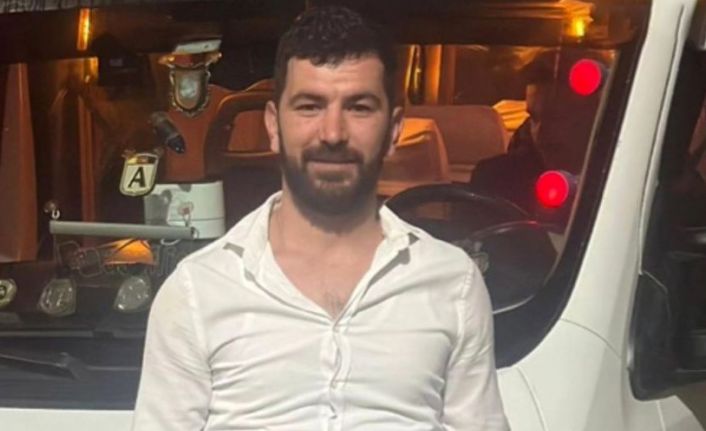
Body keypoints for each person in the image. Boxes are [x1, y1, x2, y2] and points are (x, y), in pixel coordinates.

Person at [132, 6, 509, 431]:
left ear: (393, 130)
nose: (332, 133)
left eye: (359, 107)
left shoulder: (453, 284)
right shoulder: (197, 291)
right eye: (309, 106)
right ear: (274, 125)